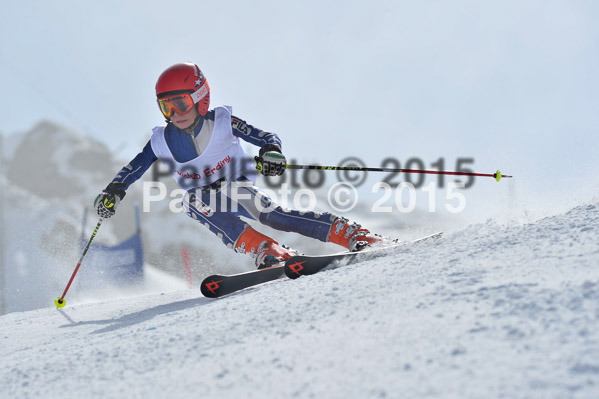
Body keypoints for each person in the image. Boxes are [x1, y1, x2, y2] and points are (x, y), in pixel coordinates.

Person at [94, 62, 384, 269]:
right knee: (192, 201)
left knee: (273, 217)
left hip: (237, 186)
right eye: (166, 107)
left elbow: (266, 137)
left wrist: (272, 151)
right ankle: (267, 249)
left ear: (199, 98)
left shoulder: (221, 122)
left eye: (180, 104)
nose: (175, 114)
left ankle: (349, 232)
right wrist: (113, 191)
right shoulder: (161, 141)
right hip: (206, 198)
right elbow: (134, 168)